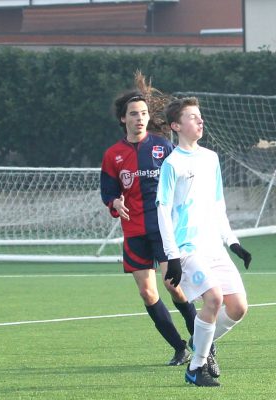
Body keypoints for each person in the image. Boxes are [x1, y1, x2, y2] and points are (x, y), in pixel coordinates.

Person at [156, 96, 252, 387]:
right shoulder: (171, 164)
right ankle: (197, 367)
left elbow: (217, 205)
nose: (200, 121)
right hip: (187, 249)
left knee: (238, 308)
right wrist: (172, 255)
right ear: (176, 126)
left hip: (214, 247)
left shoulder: (211, 158)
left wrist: (233, 242)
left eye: (200, 116)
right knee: (213, 298)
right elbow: (162, 209)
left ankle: (201, 344)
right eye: (192, 117)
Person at [100, 89, 197, 368]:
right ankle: (180, 349)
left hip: (164, 231)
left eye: (143, 113)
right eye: (134, 114)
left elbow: (181, 182)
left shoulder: (163, 147)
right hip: (133, 231)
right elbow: (108, 192)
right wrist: (115, 202)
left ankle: (202, 341)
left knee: (174, 287)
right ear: (123, 119)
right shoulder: (113, 155)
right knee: (148, 293)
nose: (140, 118)